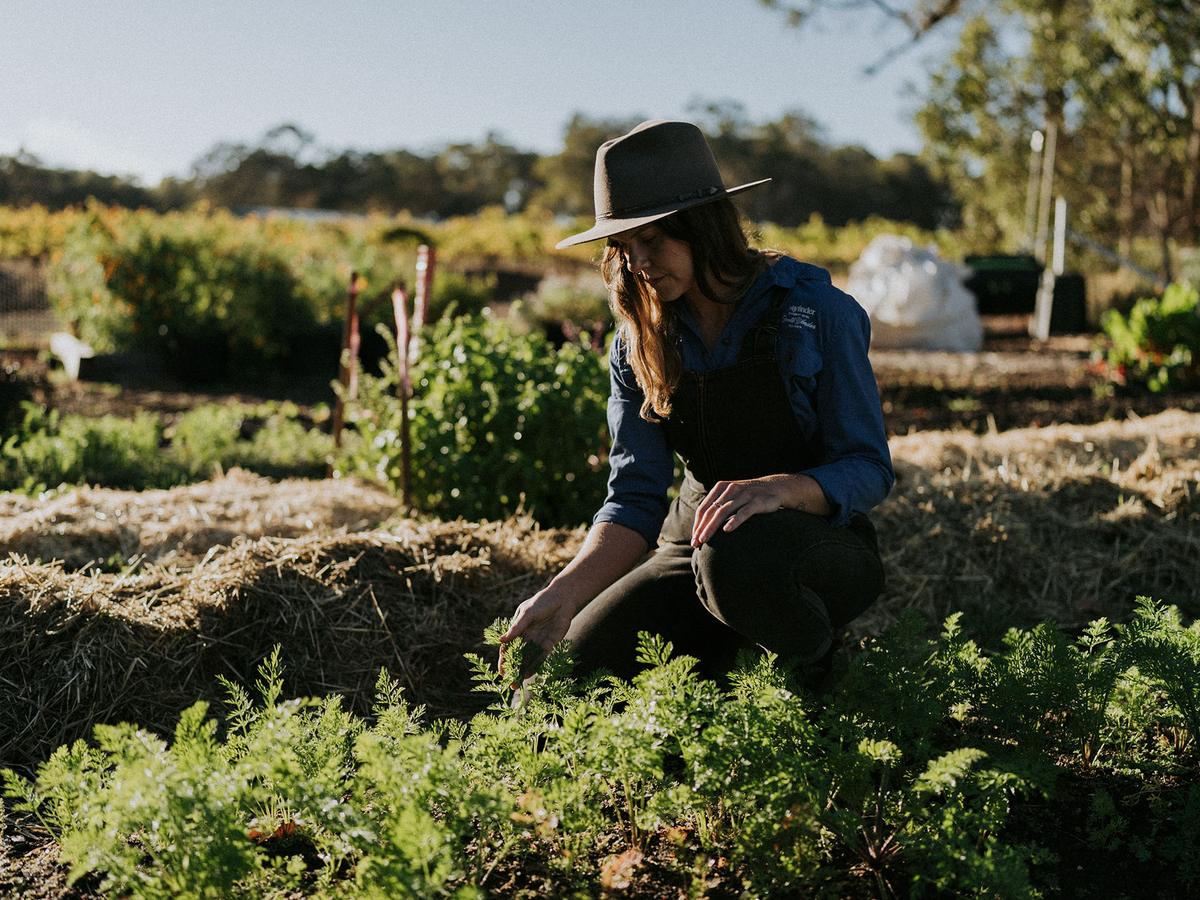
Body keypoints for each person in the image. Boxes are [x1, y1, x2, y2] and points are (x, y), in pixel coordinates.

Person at [499, 119, 894, 685]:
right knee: (553, 694)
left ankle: (817, 681)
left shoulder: (816, 315)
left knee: (737, 562)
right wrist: (563, 593)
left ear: (704, 226)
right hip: (693, 551)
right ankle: (722, 661)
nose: (636, 263)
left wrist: (781, 489)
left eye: (651, 239)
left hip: (816, 548)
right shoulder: (638, 343)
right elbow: (634, 499)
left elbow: (869, 467)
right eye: (623, 247)